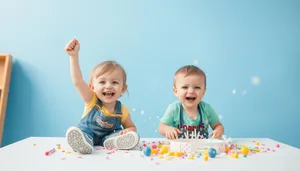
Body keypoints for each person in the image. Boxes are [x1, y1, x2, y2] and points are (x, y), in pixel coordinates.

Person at [64, 38, 139, 154]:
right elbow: (77, 81)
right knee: (82, 133)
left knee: (117, 134)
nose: (108, 86)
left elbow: (132, 127)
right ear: (92, 87)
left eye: (114, 82)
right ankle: (84, 143)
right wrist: (73, 56)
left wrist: (129, 131)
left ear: (123, 89)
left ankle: (113, 141)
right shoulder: (91, 99)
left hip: (109, 136)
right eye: (102, 82)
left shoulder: (122, 111)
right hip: (88, 134)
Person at [158, 65, 224, 140]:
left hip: (201, 148)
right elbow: (161, 127)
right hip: (180, 149)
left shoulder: (206, 109)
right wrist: (167, 129)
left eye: (197, 87)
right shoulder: (174, 109)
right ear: (176, 91)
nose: (191, 91)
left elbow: (218, 125)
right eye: (185, 87)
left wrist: (219, 130)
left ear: (203, 91)